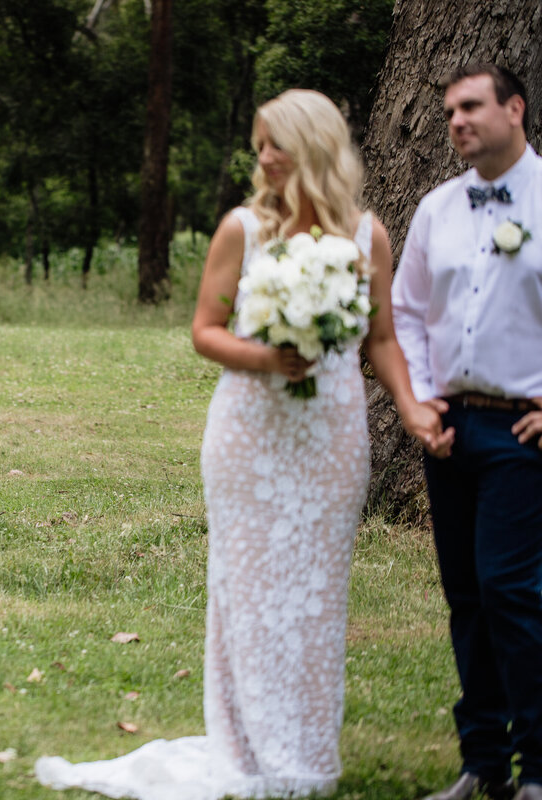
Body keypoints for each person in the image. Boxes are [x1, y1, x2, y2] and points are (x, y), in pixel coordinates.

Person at [35, 89, 442, 799]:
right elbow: (206, 330)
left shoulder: (366, 235)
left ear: (311, 147)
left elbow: (381, 339)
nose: (262, 159)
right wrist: (266, 357)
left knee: (317, 593)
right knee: (246, 590)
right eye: (257, 147)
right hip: (249, 434)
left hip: (331, 435)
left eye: (273, 145)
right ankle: (246, 748)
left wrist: (413, 409)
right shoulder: (242, 230)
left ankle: (305, 753)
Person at [392, 63, 542, 800]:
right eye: (450, 109)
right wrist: (419, 404)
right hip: (448, 426)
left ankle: (539, 767)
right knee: (467, 597)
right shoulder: (436, 209)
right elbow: (408, 313)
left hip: (524, 431)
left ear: (515, 108)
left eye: (471, 106)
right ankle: (482, 763)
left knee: (511, 589)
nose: (456, 120)